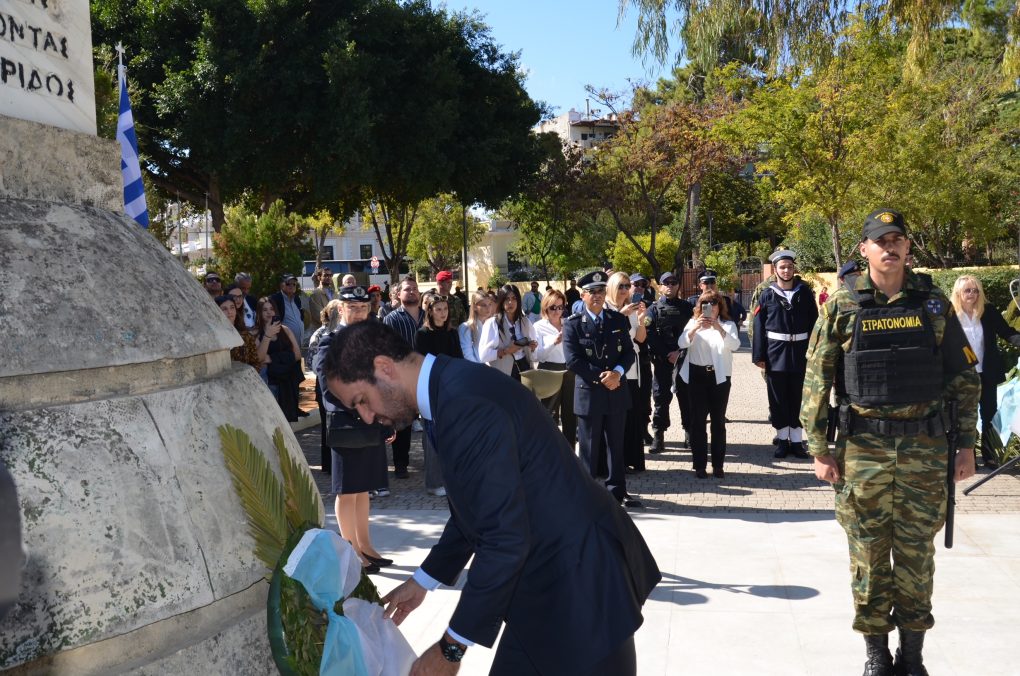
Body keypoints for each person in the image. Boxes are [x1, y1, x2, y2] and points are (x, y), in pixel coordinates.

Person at [320, 321, 661, 675]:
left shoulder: (464, 404)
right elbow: (479, 508)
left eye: (361, 400)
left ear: (383, 368)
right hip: (552, 581)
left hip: (581, 585)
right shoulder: (451, 387)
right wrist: (424, 580)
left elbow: (503, 538)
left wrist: (451, 648)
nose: (366, 416)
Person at [800, 208, 980, 676]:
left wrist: (966, 444)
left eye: (898, 239)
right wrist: (819, 448)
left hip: (925, 449)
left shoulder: (933, 304)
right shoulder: (842, 305)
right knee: (868, 555)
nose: (891, 247)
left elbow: (963, 377)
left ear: (907, 247)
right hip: (864, 453)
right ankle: (877, 655)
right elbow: (817, 378)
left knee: (917, 556)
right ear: (864, 250)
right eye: (882, 240)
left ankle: (913, 655)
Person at [313, 285, 392, 574]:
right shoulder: (330, 342)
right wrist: (361, 407)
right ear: (340, 309)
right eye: (352, 307)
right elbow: (328, 388)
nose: (358, 312)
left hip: (370, 422)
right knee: (347, 490)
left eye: (363, 307)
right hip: (348, 424)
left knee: (363, 489)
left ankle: (365, 545)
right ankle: (350, 551)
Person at [563, 271, 643, 509]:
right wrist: (604, 378)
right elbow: (573, 361)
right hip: (590, 393)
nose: (597, 296)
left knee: (616, 445)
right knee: (588, 448)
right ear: (582, 295)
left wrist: (617, 373)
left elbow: (629, 352)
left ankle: (617, 493)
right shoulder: (573, 324)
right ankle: (587, 496)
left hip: (616, 390)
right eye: (591, 292)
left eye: (600, 291)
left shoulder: (617, 319)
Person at [752, 249, 818, 459]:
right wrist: (759, 356)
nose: (786, 271)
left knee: (798, 397)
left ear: (794, 269)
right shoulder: (767, 294)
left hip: (800, 353)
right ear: (775, 270)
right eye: (782, 267)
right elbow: (759, 326)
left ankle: (797, 442)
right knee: (778, 399)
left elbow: (815, 324)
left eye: (789, 267)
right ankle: (782, 440)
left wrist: (815, 352)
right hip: (775, 353)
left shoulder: (805, 293)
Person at [950, 274, 1020, 469]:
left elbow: (1007, 333)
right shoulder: (950, 315)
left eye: (975, 290)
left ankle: (989, 455)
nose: (972, 294)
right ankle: (968, 456)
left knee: (989, 413)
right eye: (967, 290)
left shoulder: (987, 311)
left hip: (986, 371)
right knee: (964, 416)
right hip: (961, 375)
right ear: (958, 292)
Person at [677, 289, 741, 478]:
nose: (710, 308)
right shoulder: (692, 323)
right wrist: (696, 328)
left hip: (719, 377)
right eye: (706, 304)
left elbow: (735, 345)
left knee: (718, 422)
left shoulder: (727, 325)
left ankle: (718, 465)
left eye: (714, 304)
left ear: (719, 307)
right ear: (700, 307)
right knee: (697, 422)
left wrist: (718, 328)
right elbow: (681, 343)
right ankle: (699, 465)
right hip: (696, 376)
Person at [414, 292, 463, 497]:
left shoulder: (452, 333)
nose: (443, 313)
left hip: (450, 387)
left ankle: (451, 479)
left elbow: (458, 357)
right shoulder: (423, 334)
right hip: (430, 388)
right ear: (430, 311)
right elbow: (422, 362)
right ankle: (433, 482)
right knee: (432, 435)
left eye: (445, 309)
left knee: (451, 435)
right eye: (439, 309)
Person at [644, 272, 694, 453]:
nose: (670, 286)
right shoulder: (653, 309)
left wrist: (679, 352)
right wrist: (667, 354)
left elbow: (693, 332)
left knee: (686, 397)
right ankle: (659, 435)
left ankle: (690, 435)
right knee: (660, 398)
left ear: (678, 285)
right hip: (662, 361)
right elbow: (650, 335)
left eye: (674, 283)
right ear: (660, 286)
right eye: (666, 283)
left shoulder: (687, 308)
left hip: (683, 359)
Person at [605, 272, 648, 472]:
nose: (624, 290)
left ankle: (632, 459)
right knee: (616, 418)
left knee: (632, 415)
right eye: (621, 286)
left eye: (627, 286)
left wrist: (640, 319)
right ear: (612, 287)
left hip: (631, 369)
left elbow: (640, 339)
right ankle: (616, 463)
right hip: (613, 368)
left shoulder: (631, 308)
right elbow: (603, 333)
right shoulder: (606, 308)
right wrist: (621, 314)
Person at [383, 276, 425, 479]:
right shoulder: (392, 319)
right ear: (398, 294)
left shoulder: (428, 316)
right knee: (404, 423)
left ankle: (434, 463)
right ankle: (401, 464)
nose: (412, 292)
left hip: (426, 376)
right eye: (408, 289)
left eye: (415, 288)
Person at [532, 289, 577, 447]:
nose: (557, 311)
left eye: (560, 307)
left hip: (569, 370)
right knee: (550, 413)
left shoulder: (568, 323)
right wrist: (554, 342)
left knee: (570, 414)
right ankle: (552, 451)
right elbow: (537, 356)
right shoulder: (538, 327)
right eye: (553, 307)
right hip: (549, 370)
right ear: (545, 307)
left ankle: (570, 451)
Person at [309, 299, 343, 475]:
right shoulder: (320, 334)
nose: (337, 314)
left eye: (340, 310)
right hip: (324, 384)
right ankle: (328, 465)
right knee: (327, 426)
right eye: (334, 310)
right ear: (328, 313)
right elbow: (313, 362)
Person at [256, 297, 304, 420]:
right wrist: (268, 335)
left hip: (288, 381)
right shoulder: (256, 334)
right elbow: (260, 358)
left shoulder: (286, 330)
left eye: (271, 309)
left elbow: (297, 355)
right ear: (259, 313)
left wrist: (272, 358)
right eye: (264, 310)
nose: (268, 312)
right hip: (270, 382)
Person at [478, 284, 538, 381]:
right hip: (503, 373)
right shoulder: (493, 323)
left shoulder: (525, 322)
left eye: (514, 298)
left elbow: (534, 354)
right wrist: (506, 351)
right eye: (507, 299)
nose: (510, 302)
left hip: (525, 368)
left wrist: (532, 347)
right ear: (501, 301)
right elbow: (483, 355)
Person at [215, 294, 260, 370]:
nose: (229, 312)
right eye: (224, 309)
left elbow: (255, 363)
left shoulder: (246, 335)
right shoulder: (214, 338)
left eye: (232, 308)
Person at [269, 273, 309, 359]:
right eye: (288, 283)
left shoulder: (297, 299)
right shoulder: (275, 299)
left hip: (298, 345)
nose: (291, 286)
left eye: (294, 284)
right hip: (284, 346)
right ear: (281, 285)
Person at [458, 291, 494, 364]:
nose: (488, 308)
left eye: (490, 304)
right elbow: (467, 354)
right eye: (483, 305)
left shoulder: (494, 324)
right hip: (478, 369)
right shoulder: (466, 327)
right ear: (474, 307)